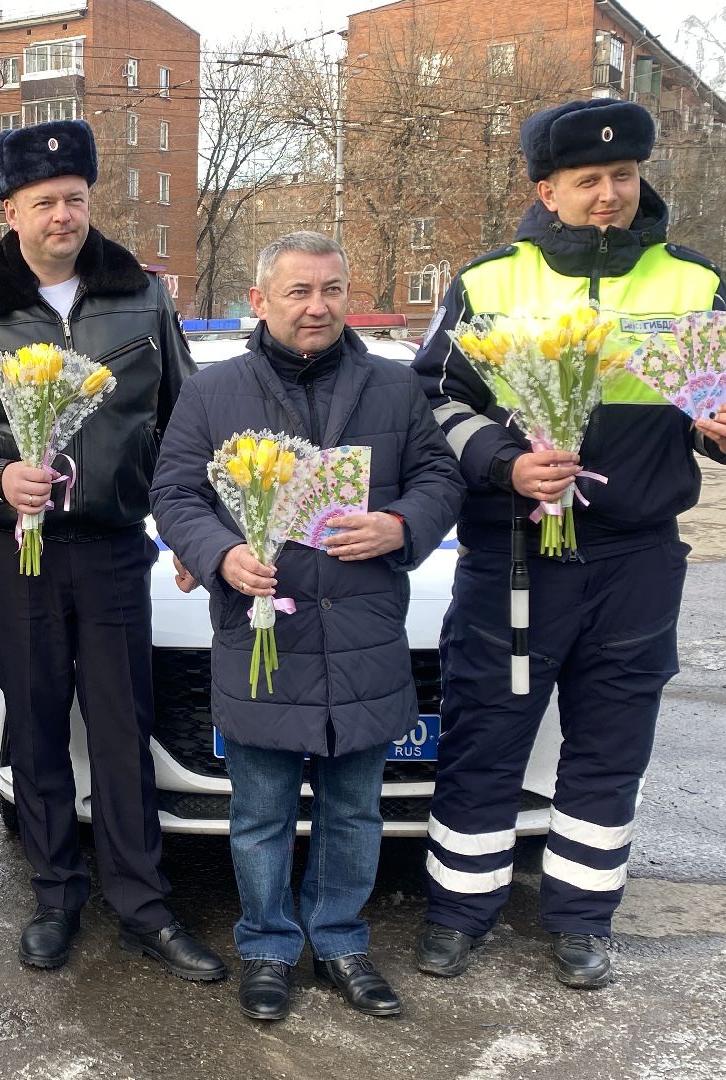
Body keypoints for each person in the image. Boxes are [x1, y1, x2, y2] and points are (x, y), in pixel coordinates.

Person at [410, 99, 726, 989]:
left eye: (623, 176)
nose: (609, 194)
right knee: (487, 734)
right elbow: (433, 402)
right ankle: (460, 911)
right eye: (587, 181)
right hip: (516, 557)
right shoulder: (491, 282)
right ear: (547, 189)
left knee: (612, 746)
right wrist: (503, 462)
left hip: (638, 559)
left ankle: (581, 918)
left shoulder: (693, 281)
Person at [0, 119, 224, 981]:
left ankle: (142, 904)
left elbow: (182, 422)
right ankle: (56, 894)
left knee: (125, 725)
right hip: (19, 557)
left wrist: (195, 525)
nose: (63, 215)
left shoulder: (143, 298)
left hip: (116, 546)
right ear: (9, 208)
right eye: (43, 201)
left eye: (75, 199)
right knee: (39, 723)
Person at [152, 232, 462, 1020]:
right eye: (297, 291)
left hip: (361, 635)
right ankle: (266, 945)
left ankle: (342, 941)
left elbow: (438, 477)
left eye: (330, 289)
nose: (316, 306)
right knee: (259, 812)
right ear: (260, 301)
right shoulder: (214, 393)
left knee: (354, 808)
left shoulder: (393, 388)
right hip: (263, 635)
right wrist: (220, 554)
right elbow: (176, 492)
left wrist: (399, 526)